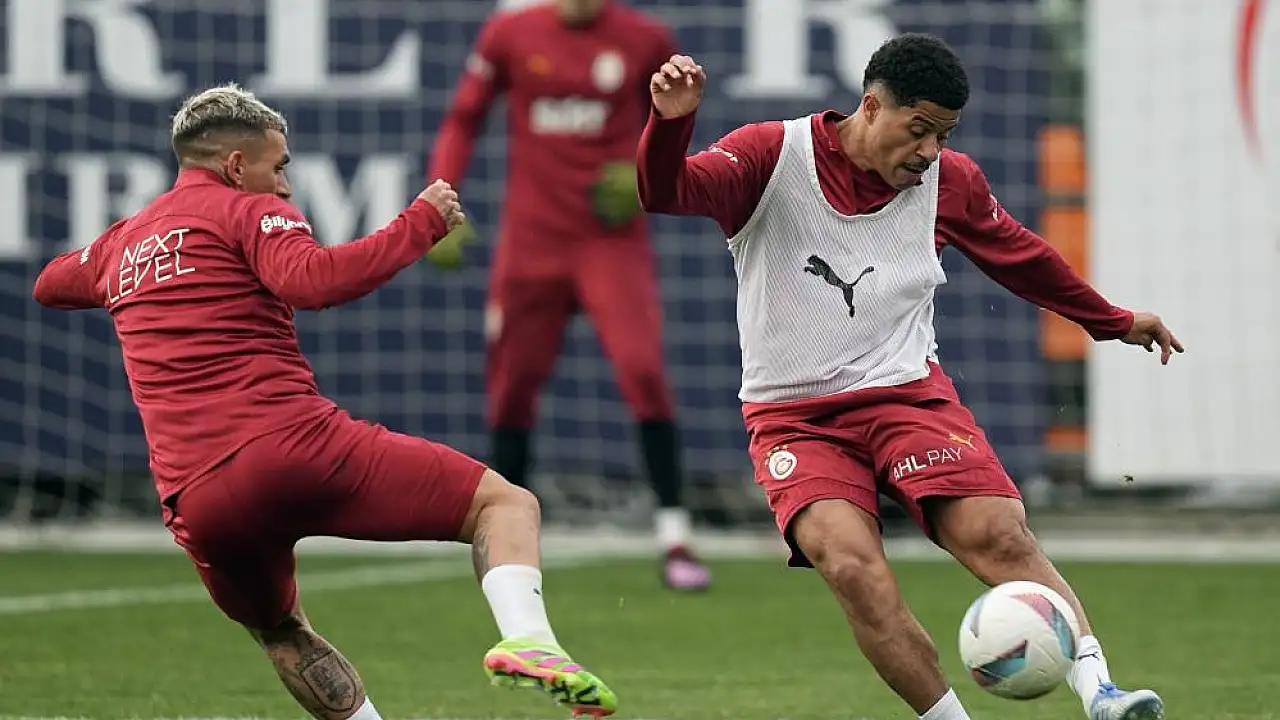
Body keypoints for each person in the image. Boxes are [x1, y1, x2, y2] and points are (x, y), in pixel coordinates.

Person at [32, 84, 617, 720]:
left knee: (281, 631)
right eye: (279, 166)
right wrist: (419, 223)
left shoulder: (122, 245)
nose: (284, 185)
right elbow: (313, 281)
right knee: (503, 504)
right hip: (292, 448)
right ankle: (531, 640)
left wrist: (123, 254)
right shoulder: (248, 211)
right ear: (237, 166)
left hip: (196, 499)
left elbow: (50, 284)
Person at [637, 35, 1179, 720]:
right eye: (918, 129)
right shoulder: (770, 155)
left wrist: (1111, 320)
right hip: (796, 420)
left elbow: (1022, 256)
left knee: (998, 534)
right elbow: (665, 192)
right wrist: (671, 122)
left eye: (943, 135)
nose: (929, 151)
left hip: (908, 399)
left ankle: (1101, 691)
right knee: (851, 566)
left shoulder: (951, 183)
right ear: (870, 107)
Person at [426, 0, 710, 591]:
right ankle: (505, 543)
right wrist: (440, 200)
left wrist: (649, 174)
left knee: (643, 372)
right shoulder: (510, 34)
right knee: (512, 389)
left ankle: (675, 537)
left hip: (610, 242)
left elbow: (681, 117)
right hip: (531, 243)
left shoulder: (644, 38)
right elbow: (463, 118)